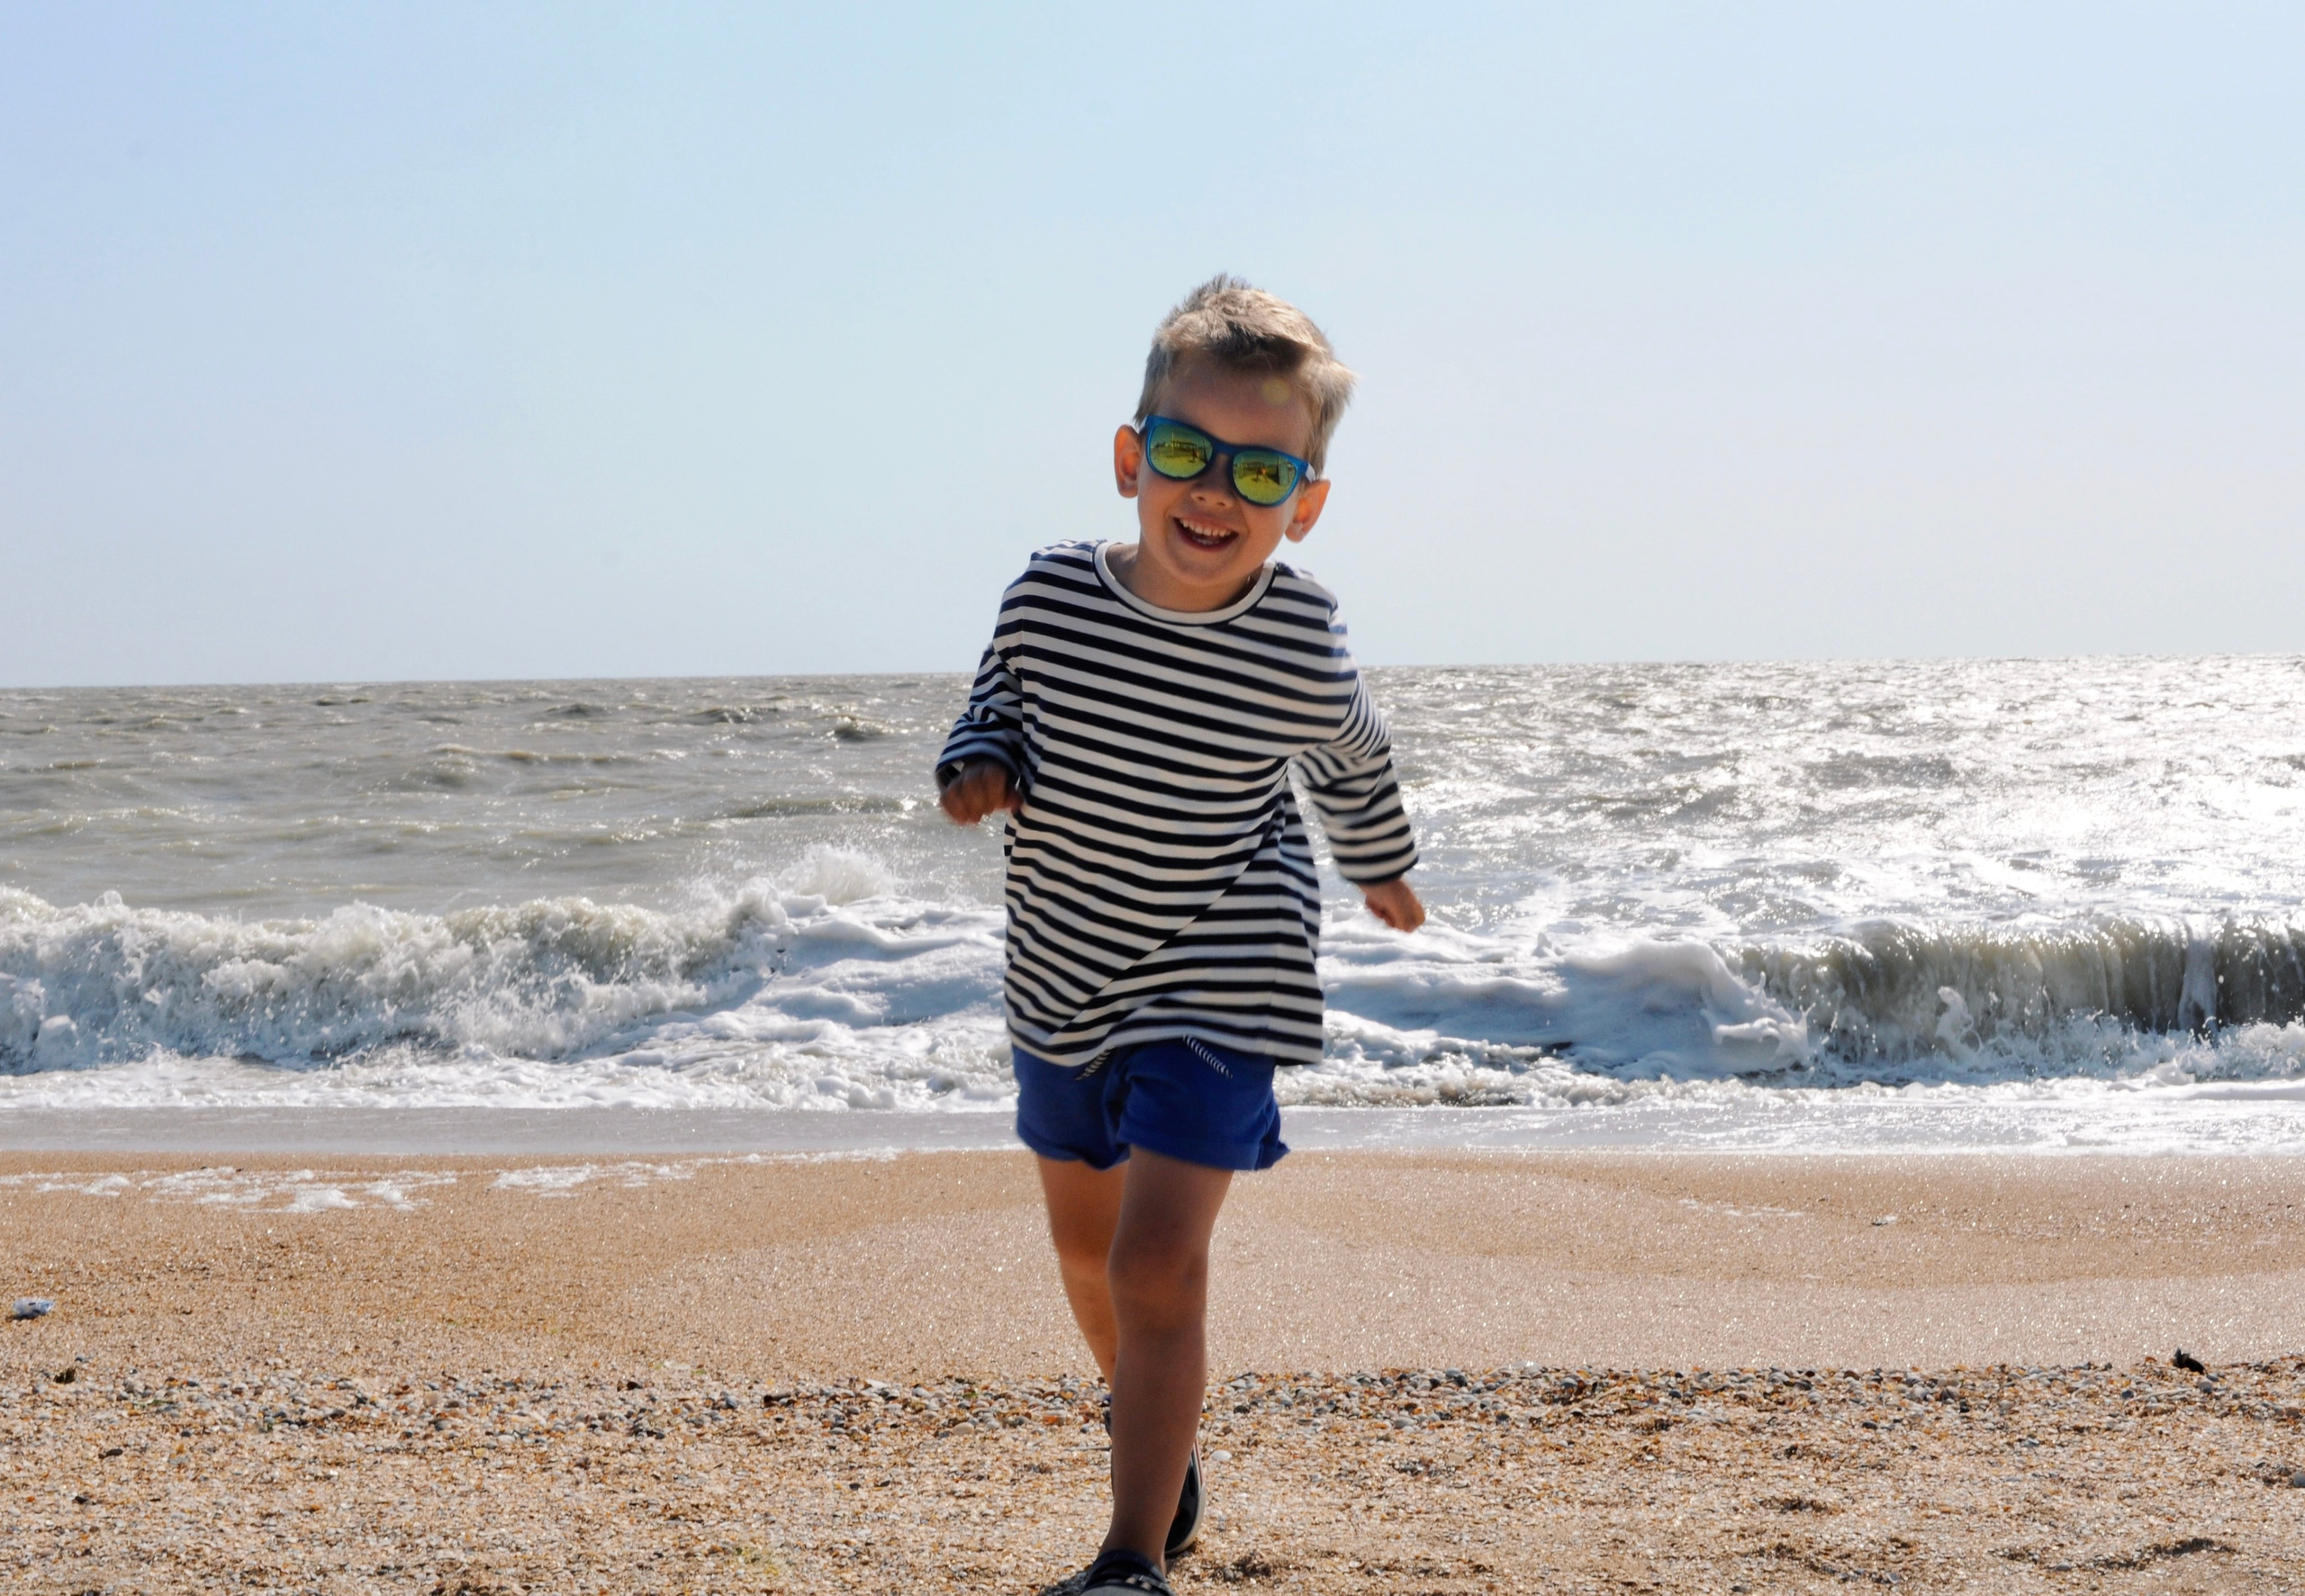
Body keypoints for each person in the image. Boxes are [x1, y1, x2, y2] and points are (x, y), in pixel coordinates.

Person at [936, 275, 1424, 1596]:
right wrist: (977, 767)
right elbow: (993, 706)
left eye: (1260, 470)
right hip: (1065, 973)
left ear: (1303, 502)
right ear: (1129, 459)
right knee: (1088, 1259)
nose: (1216, 491)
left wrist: (1380, 865)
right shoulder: (1049, 597)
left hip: (1224, 970)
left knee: (1157, 1260)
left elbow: (1354, 759)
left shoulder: (1299, 636)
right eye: (1186, 452)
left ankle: (1130, 1558)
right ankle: (1158, 1436)